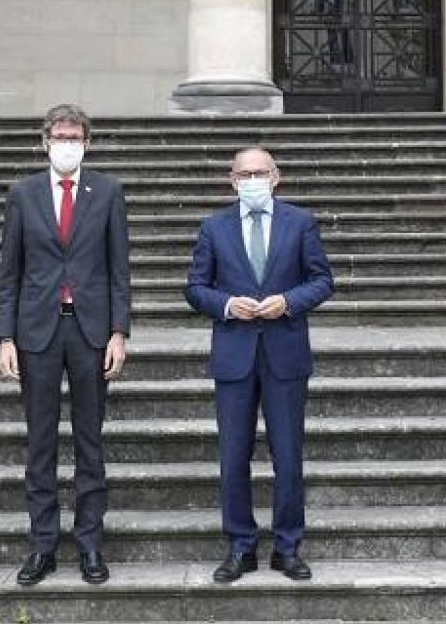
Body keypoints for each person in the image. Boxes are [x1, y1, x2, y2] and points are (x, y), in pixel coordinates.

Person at [0, 104, 131, 586]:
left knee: (90, 442)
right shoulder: (23, 194)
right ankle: (43, 546)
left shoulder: (108, 192)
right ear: (44, 141)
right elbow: (9, 272)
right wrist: (4, 336)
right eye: (60, 136)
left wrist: (120, 332)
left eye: (75, 136)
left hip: (91, 331)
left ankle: (91, 543)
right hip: (37, 332)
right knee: (41, 443)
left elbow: (119, 270)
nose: (67, 143)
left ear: (87, 143)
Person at [184, 148, 334, 583]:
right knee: (233, 458)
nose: (252, 178)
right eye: (244, 173)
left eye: (260, 172)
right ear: (232, 180)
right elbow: (195, 287)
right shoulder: (214, 227)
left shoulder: (299, 222)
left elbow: (322, 280)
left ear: (276, 177)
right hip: (234, 355)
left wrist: (288, 302)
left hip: (285, 354)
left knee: (288, 457)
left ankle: (288, 547)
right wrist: (228, 304)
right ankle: (240, 546)